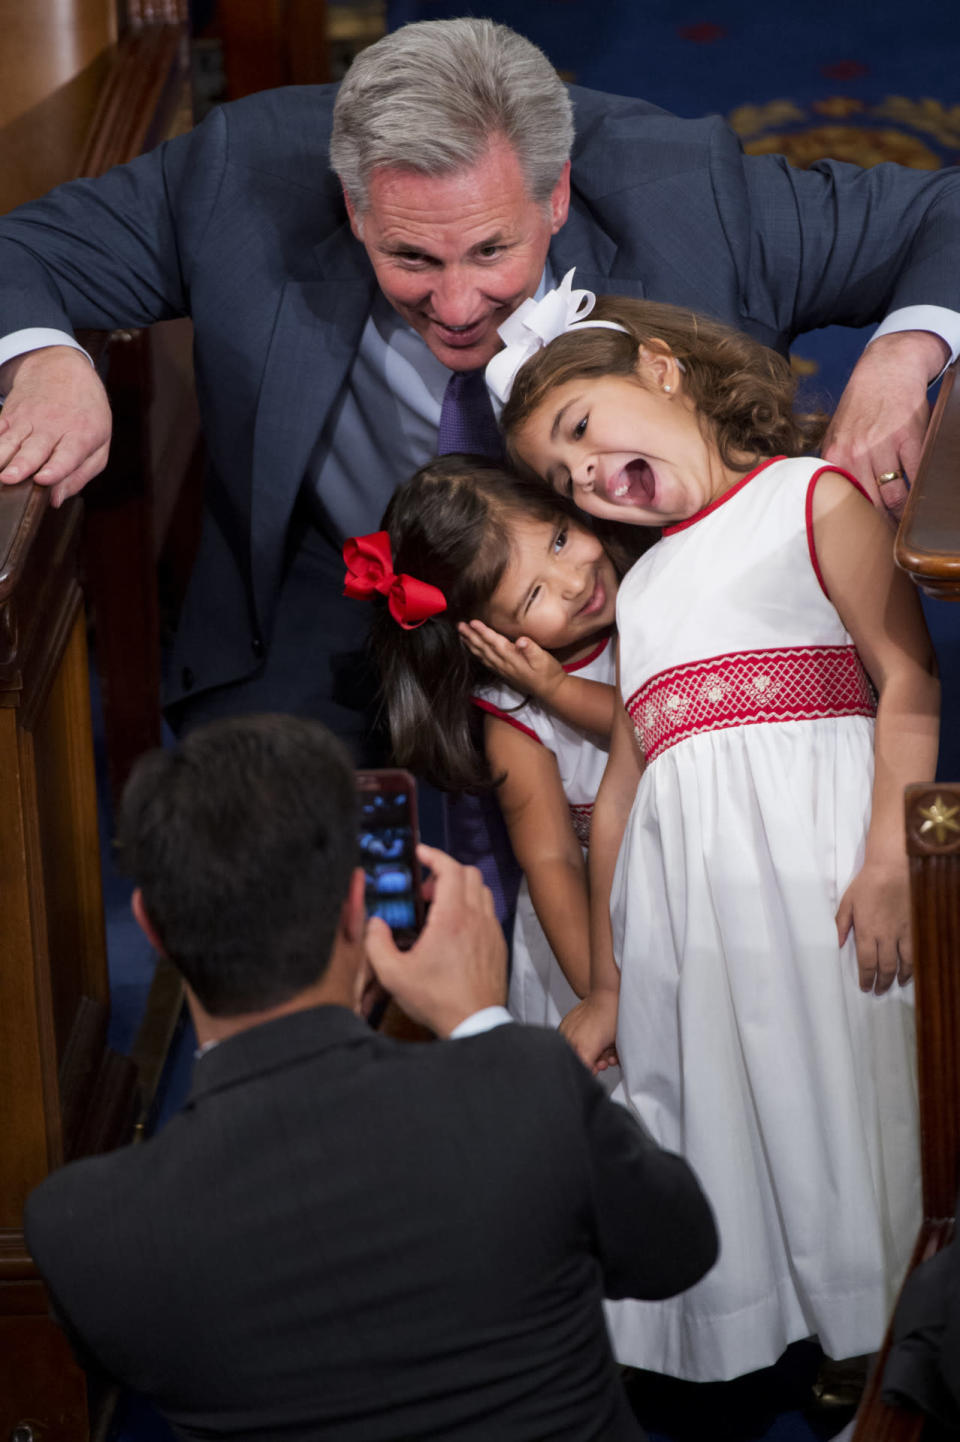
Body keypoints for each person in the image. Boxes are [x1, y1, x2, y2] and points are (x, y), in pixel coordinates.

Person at [0, 18, 956, 748]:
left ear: (556, 194)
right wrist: (46, 354)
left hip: (619, 597)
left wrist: (902, 356)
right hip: (335, 578)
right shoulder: (236, 178)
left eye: (492, 251)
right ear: (352, 205)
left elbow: (942, 215)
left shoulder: (691, 198)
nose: (457, 305)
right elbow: (21, 249)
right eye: (410, 255)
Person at [23, 713, 718, 1442]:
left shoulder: (82, 1232)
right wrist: (482, 1025)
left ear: (153, 928)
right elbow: (680, 1249)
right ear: (358, 904)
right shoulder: (528, 1085)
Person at [491, 281, 940, 1381]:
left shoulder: (807, 497)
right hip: (702, 923)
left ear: (659, 366)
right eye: (561, 476)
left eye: (582, 430)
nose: (587, 474)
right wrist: (605, 977)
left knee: (857, 1103)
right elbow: (630, 792)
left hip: (826, 879)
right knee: (755, 1106)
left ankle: (895, 1345)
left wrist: (892, 854)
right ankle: (814, 1328)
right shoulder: (643, 591)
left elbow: (908, 676)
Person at [353, 454, 642, 1027]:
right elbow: (552, 860)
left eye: (560, 540)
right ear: (486, 636)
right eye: (533, 597)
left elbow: (682, 709)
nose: (575, 581)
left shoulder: (656, 599)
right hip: (608, 934)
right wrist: (604, 996)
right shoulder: (517, 723)